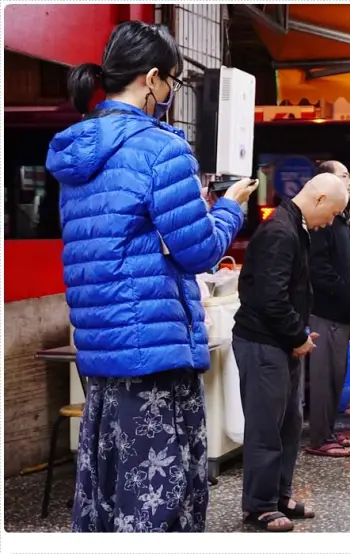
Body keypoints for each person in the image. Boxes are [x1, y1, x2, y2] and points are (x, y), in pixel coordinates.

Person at [45, 21, 255, 532]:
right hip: (154, 352)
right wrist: (228, 208)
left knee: (107, 491)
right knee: (160, 497)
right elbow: (200, 249)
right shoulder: (161, 149)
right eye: (172, 84)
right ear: (153, 79)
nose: (169, 94)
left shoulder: (77, 153)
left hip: (102, 351)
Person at [232, 173, 348, 532]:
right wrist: (296, 334)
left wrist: (297, 333)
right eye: (332, 212)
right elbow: (270, 298)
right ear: (318, 200)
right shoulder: (280, 232)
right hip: (262, 342)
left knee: (289, 425)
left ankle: (279, 494)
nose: (330, 221)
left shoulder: (295, 228)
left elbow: (288, 292)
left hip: (280, 341)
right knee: (266, 427)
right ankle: (260, 506)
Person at [304, 161, 350, 458]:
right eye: (342, 176)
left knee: (337, 377)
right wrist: (343, 293)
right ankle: (318, 439)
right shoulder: (321, 221)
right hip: (327, 310)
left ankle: (329, 431)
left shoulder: (340, 219)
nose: (348, 182)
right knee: (324, 376)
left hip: (342, 311)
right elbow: (319, 268)